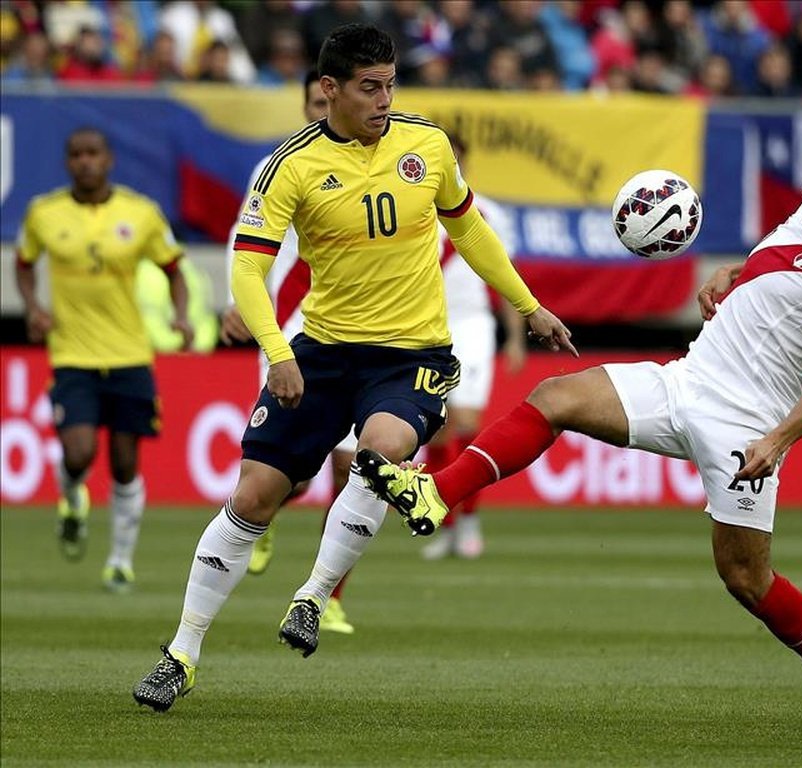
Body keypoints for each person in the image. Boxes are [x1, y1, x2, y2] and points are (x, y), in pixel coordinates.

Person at [359, 127, 802, 734]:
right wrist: (730, 275)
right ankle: (437, 493)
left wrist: (775, 442)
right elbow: (780, 269)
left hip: (745, 426)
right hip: (685, 382)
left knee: (746, 579)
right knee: (553, 396)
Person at [132, 23, 574, 713]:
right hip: (323, 349)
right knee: (252, 497)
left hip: (414, 354)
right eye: (370, 87)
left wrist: (529, 306)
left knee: (379, 456)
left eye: (391, 84)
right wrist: (279, 352)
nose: (384, 99)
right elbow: (247, 269)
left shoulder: (425, 144)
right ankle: (183, 653)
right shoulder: (293, 165)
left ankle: (312, 596)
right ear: (330, 89)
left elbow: (470, 230)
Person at [15, 127, 193, 593]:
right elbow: (23, 261)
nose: (85, 162)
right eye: (76, 155)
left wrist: (181, 316)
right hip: (72, 355)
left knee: (123, 463)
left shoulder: (141, 213)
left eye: (93, 154)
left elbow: (174, 270)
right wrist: (33, 306)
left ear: (109, 159)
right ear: (67, 162)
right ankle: (72, 492)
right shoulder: (44, 213)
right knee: (79, 451)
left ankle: (119, 560)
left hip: (131, 355)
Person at [219, 68, 355, 635]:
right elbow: (244, 242)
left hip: (354, 331)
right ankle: (266, 514)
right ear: (309, 103)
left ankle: (329, 593)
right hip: (287, 330)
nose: (320, 111)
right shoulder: (277, 165)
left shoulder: (374, 160)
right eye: (312, 103)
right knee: (291, 476)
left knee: (355, 469)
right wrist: (236, 301)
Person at [421, 133, 526, 561]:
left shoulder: (488, 214)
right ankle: (445, 522)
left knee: (466, 421)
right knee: (437, 427)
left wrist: (515, 337)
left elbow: (506, 275)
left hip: (472, 322)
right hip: (424, 325)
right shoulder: (417, 209)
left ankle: (469, 521)